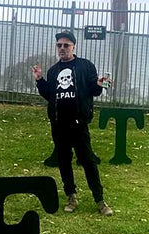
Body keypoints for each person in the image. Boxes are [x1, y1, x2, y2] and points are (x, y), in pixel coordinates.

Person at [32, 31, 114, 216]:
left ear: (73, 46)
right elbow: (50, 95)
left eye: (66, 45)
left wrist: (101, 84)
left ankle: (100, 201)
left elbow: (94, 90)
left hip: (79, 124)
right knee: (64, 161)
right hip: (59, 124)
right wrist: (39, 80)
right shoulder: (53, 71)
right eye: (59, 45)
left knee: (88, 161)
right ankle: (71, 196)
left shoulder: (85, 66)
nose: (62, 48)